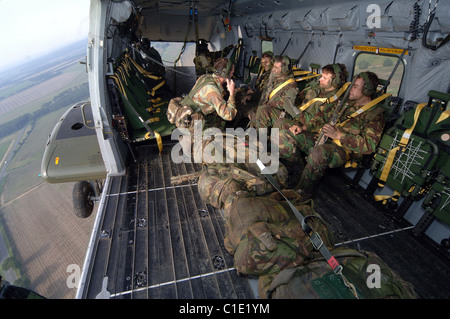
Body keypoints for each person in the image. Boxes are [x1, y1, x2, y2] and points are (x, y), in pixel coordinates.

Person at [279, 71, 386, 199]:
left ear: (367, 90)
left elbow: (369, 146)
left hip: (343, 150)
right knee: (284, 135)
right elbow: (322, 117)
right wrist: (303, 127)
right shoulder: (345, 103)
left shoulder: (374, 114)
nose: (350, 89)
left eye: (355, 86)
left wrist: (339, 135)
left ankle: (302, 193)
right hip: (322, 138)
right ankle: (298, 174)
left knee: (318, 152)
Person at [168, 57, 237, 132]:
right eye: (232, 73)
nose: (233, 76)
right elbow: (229, 115)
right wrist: (232, 93)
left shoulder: (205, 77)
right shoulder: (212, 91)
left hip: (183, 113)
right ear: (225, 74)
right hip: (189, 123)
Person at [248, 55, 299, 129]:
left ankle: (262, 139)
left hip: (283, 114)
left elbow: (289, 106)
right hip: (271, 110)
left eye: (276, 68)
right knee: (254, 110)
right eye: (273, 67)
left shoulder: (291, 85)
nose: (273, 70)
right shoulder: (274, 81)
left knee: (263, 111)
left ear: (284, 69)